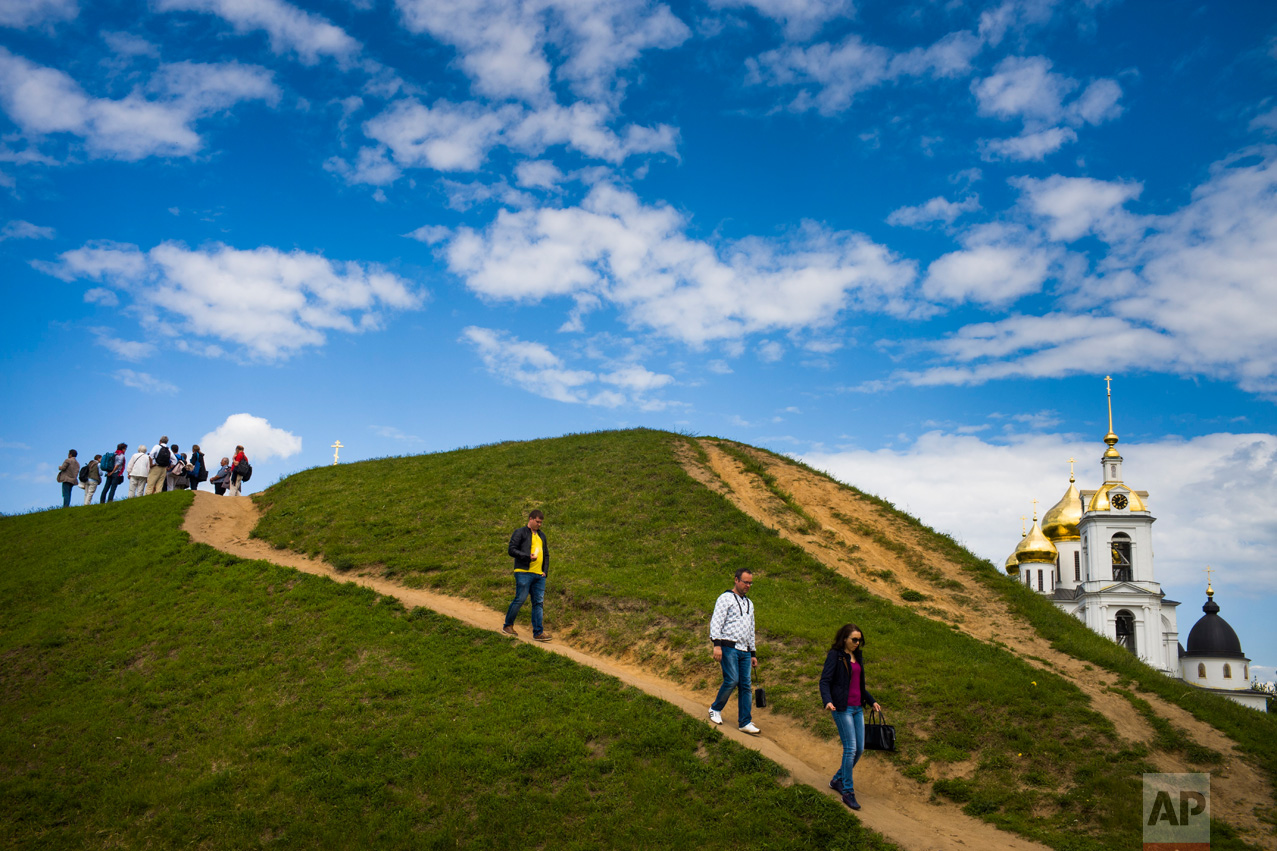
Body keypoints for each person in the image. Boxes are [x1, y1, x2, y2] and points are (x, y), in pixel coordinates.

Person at [819, 623, 883, 811]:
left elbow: (859, 686)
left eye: (859, 640)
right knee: (850, 748)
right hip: (842, 708)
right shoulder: (835, 656)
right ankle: (847, 791)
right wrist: (827, 700)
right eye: (854, 639)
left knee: (860, 749)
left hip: (857, 708)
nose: (857, 643)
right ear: (844, 639)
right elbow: (824, 681)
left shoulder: (858, 656)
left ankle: (837, 779)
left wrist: (871, 701)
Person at [709, 568, 760, 735]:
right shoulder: (725, 598)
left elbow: (751, 629)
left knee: (746, 685)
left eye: (750, 582)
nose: (748, 585)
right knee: (732, 679)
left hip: (745, 650)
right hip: (728, 647)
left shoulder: (749, 604)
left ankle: (745, 721)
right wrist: (717, 645)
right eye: (745, 582)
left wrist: (753, 652)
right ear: (736, 580)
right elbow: (716, 621)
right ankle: (715, 709)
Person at [501, 509, 551, 641]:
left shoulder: (542, 536)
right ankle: (508, 625)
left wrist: (545, 571)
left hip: (539, 575)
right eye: (537, 521)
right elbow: (511, 550)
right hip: (523, 572)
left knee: (538, 603)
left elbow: (546, 554)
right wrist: (527, 557)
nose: (539, 524)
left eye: (541, 522)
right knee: (520, 599)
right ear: (530, 519)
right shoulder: (520, 532)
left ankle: (538, 633)